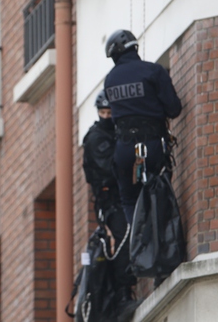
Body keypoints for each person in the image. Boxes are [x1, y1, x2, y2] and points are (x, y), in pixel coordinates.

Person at [103, 29, 182, 225]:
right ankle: (165, 235)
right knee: (162, 186)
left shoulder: (110, 80)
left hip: (125, 148)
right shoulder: (153, 71)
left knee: (129, 198)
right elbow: (174, 109)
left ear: (114, 55)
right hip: (152, 143)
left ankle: (136, 242)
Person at [82, 90, 140, 321]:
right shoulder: (96, 138)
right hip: (110, 201)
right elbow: (109, 169)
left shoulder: (120, 131)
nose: (106, 116)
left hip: (124, 195)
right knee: (122, 238)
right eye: (102, 112)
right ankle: (122, 298)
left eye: (110, 112)